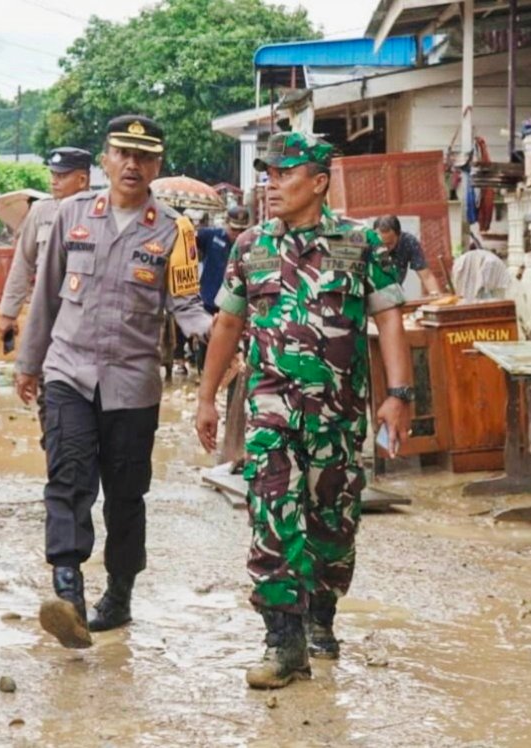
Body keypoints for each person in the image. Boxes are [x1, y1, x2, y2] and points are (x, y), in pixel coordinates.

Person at [195, 131, 413, 690]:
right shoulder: (250, 247)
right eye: (268, 175)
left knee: (333, 525)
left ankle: (322, 614)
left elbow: (389, 318)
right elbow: (226, 323)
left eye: (283, 175)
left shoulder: (361, 244)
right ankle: (282, 642)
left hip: (337, 416)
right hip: (270, 409)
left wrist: (399, 394)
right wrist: (206, 397)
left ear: (317, 183)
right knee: (271, 517)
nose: (271, 185)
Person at [15, 114, 210, 649]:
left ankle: (118, 593)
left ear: (157, 166)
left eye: (144, 156)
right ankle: (68, 592)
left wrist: (220, 337)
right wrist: (28, 364)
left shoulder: (174, 230)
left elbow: (186, 303)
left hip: (131, 382)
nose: (132, 164)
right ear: (104, 160)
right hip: (68, 371)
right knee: (67, 478)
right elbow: (46, 296)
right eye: (122, 153)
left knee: (125, 496)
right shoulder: (72, 216)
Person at [0, 147, 94, 348]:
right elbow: (22, 262)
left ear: (82, 180)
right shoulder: (41, 210)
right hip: (44, 311)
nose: (53, 180)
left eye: (62, 176)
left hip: (85, 313)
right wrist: (8, 313)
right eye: (52, 174)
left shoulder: (98, 213)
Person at [197, 205, 251, 314]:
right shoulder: (211, 235)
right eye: (234, 229)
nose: (238, 234)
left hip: (236, 305)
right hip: (209, 301)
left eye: (242, 230)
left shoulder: (252, 243)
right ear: (226, 224)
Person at [373, 215, 444, 296]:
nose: (385, 248)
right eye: (381, 244)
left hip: (394, 294)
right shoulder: (368, 242)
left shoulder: (408, 242)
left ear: (399, 236)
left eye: (389, 244)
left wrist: (438, 298)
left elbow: (426, 276)